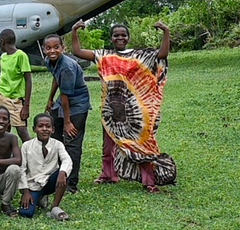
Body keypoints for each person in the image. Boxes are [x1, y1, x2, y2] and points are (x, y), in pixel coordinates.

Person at [70, 20, 177, 192]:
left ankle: (149, 181)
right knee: (108, 146)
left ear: (128, 37)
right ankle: (108, 175)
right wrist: (74, 31)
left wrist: (166, 31)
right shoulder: (103, 55)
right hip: (111, 110)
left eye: (123, 35)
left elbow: (162, 54)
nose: (120, 38)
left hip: (135, 113)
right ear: (111, 38)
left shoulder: (140, 55)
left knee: (139, 145)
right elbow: (77, 51)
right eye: (116, 35)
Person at [42, 33, 92, 194]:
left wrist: (68, 121)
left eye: (56, 47)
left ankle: (71, 183)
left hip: (77, 103)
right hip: (62, 100)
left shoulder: (68, 67)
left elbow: (66, 96)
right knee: (54, 137)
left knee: (72, 142)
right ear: (44, 49)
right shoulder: (49, 61)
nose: (52, 51)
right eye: (48, 48)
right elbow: (56, 78)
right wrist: (50, 99)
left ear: (63, 48)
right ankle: (55, 175)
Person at [17, 114, 72, 220]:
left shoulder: (57, 144)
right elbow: (22, 169)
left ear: (53, 129)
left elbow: (67, 159)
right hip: (33, 184)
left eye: (48, 126)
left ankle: (54, 207)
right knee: (26, 213)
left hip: (50, 182)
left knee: (64, 173)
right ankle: (40, 197)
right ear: (34, 129)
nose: (44, 129)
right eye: (40, 126)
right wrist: (25, 192)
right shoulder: (26, 146)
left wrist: (62, 172)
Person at [0, 29, 32, 142]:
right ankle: (4, 155)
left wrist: (26, 106)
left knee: (22, 131)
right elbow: (1, 79)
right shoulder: (3, 57)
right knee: (1, 130)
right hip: (1, 95)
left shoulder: (21, 56)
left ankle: (34, 155)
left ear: (2, 42)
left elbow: (28, 80)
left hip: (15, 100)